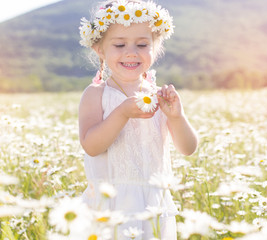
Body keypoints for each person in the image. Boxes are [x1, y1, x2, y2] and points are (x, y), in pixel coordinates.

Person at [78, 0, 198, 239]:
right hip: (110, 206)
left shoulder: (159, 96)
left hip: (154, 205)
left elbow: (188, 148)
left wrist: (177, 117)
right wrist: (121, 113)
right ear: (100, 50)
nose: (131, 52)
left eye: (142, 44)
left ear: (156, 47)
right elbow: (91, 146)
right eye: (119, 44)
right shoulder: (96, 94)